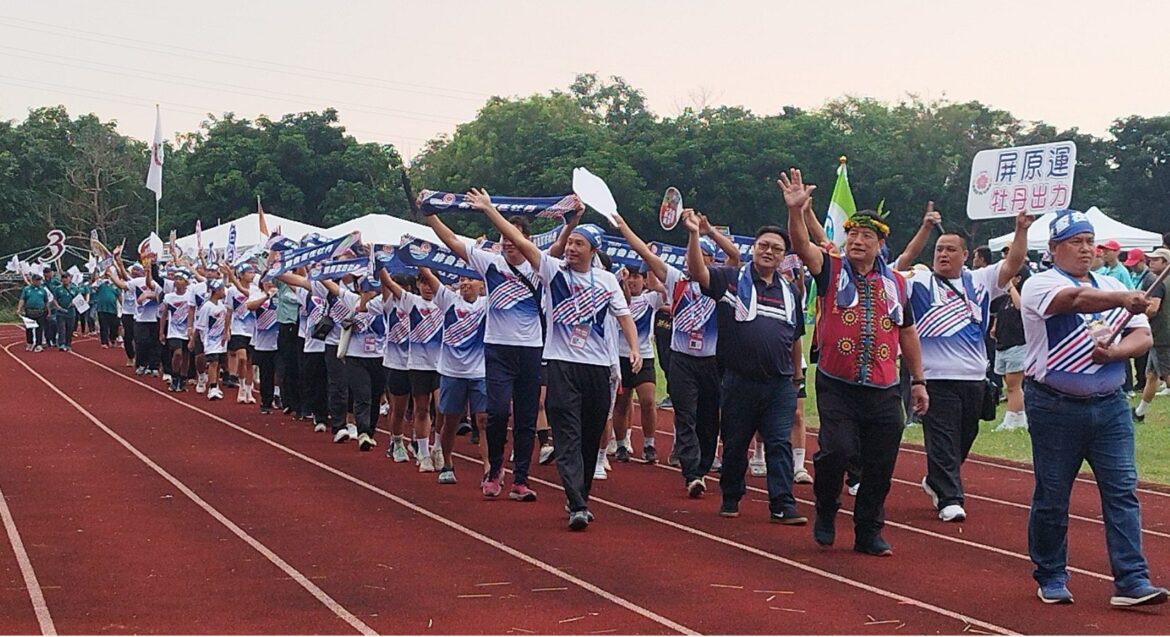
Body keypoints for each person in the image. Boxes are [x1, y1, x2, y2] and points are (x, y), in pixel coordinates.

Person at [1020, 209, 1167, 607]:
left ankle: (1132, 579)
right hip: (1054, 406)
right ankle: (1050, 573)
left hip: (1110, 405)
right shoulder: (1041, 284)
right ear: (1053, 249)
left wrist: (1115, 352)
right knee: (1053, 493)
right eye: (1075, 242)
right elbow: (1074, 300)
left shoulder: (1109, 282)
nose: (1085, 249)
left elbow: (1143, 338)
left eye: (1089, 241)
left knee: (1122, 492)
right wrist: (1124, 298)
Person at [472, 188, 640, 531]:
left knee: (592, 437)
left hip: (596, 370)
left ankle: (580, 496)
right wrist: (490, 210)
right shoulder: (552, 271)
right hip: (561, 366)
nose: (572, 248)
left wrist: (634, 348)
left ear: (594, 251)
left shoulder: (607, 280)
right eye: (571, 242)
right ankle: (576, 504)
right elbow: (520, 240)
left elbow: (623, 317)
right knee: (567, 435)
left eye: (580, 244)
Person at [783, 167, 928, 557]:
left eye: (866, 236)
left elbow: (907, 332)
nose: (857, 240)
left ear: (881, 244)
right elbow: (802, 247)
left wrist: (918, 381)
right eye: (852, 234)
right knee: (837, 451)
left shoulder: (896, 283)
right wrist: (796, 212)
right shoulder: (831, 270)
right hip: (837, 383)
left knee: (881, 463)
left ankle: (868, 530)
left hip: (883, 387)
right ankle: (826, 510)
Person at [424, 204, 579, 496]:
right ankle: (495, 470)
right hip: (497, 350)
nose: (508, 244)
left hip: (531, 350)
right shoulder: (489, 263)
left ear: (525, 241)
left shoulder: (538, 264)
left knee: (526, 417)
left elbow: (559, 245)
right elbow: (452, 242)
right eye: (504, 239)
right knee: (495, 414)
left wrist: (571, 223)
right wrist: (429, 214)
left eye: (513, 239)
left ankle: (520, 479)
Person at [898, 206, 1030, 522]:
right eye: (939, 249)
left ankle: (937, 480)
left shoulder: (980, 280)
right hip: (933, 379)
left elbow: (1014, 263)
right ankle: (950, 499)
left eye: (950, 250)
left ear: (965, 254)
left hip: (973, 378)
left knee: (963, 439)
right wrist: (924, 230)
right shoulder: (918, 280)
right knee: (941, 439)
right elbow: (898, 265)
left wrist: (1021, 229)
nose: (943, 255)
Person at [684, 211, 808, 524]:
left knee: (779, 443)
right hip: (739, 380)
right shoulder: (730, 278)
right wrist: (694, 235)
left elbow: (795, 337)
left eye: (777, 249)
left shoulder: (791, 292)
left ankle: (782, 504)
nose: (769, 252)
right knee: (736, 443)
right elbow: (698, 272)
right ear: (754, 247)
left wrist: (797, 377)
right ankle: (731, 495)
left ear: (784, 256)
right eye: (764, 245)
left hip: (779, 383)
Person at [610, 209, 739, 492]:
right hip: (682, 360)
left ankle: (703, 465)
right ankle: (692, 472)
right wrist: (624, 227)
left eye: (699, 256)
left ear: (709, 260)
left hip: (710, 361)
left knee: (708, 418)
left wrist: (707, 232)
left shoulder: (720, 281)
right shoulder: (675, 279)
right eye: (688, 255)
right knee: (685, 413)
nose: (690, 259)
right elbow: (644, 252)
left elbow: (735, 257)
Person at [423, 268, 490, 486]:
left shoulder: (487, 303)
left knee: (483, 421)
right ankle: (448, 462)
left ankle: (489, 467)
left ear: (481, 284)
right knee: (450, 421)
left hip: (480, 372)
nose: (465, 283)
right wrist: (417, 255)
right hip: (452, 372)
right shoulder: (449, 300)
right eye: (461, 279)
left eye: (470, 279)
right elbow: (430, 276)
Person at [610, 263, 664, 463]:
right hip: (620, 357)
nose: (632, 280)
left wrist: (650, 264)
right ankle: (622, 444)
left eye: (636, 276)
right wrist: (619, 281)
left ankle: (649, 444)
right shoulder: (615, 299)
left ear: (643, 280)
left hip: (644, 357)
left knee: (648, 401)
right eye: (629, 276)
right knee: (621, 405)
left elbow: (661, 286)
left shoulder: (650, 300)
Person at [990, 266, 1031, 431]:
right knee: (1009, 384)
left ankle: (1011, 420)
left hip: (1017, 344)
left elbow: (1021, 307)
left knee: (1014, 385)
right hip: (1003, 344)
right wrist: (995, 327)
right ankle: (1019, 416)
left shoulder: (1022, 296)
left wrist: (1011, 286)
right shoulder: (1005, 299)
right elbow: (999, 313)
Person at [1133, 248, 1170, 423]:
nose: (1151, 262)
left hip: (1161, 335)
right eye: (1150, 259)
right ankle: (1140, 412)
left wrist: (1136, 318)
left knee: (1167, 376)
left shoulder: (1158, 282)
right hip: (1161, 334)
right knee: (1152, 375)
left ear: (1166, 263)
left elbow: (1153, 309)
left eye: (1156, 260)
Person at [248, 279, 282, 414]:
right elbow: (250, 306)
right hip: (263, 343)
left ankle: (279, 396)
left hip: (281, 341)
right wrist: (267, 296)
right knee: (266, 374)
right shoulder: (257, 295)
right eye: (267, 281)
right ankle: (266, 402)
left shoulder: (282, 295)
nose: (270, 283)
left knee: (281, 372)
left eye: (273, 281)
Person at [158, 269, 195, 392]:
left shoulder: (190, 296)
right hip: (173, 331)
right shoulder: (169, 297)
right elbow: (164, 314)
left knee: (185, 355)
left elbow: (192, 312)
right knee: (177, 353)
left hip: (187, 330)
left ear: (186, 283)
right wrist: (161, 331)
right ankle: (175, 376)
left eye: (180, 279)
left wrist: (191, 329)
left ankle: (183, 378)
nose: (177, 282)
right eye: (176, 279)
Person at [193, 279, 230, 401]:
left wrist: (226, 333)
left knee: (218, 363)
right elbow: (200, 326)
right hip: (210, 339)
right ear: (217, 291)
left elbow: (225, 320)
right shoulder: (207, 307)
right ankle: (212, 387)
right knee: (213, 363)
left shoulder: (221, 305)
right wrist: (198, 340)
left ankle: (215, 385)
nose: (224, 292)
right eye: (222, 290)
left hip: (220, 340)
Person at [17, 272, 52, 352]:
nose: (38, 282)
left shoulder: (43, 290)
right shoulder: (27, 289)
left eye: (39, 280)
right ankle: (29, 343)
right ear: (32, 280)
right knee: (29, 328)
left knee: (39, 329)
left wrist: (49, 311)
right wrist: (19, 308)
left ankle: (38, 344)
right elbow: (22, 299)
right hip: (29, 311)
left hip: (40, 311)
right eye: (36, 280)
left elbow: (46, 301)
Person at [49, 271, 81, 352]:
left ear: (70, 279)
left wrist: (75, 303)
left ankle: (68, 344)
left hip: (71, 312)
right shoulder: (58, 289)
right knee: (61, 329)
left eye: (66, 278)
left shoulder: (74, 288)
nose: (65, 279)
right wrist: (58, 307)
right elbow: (54, 299)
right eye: (63, 278)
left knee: (70, 330)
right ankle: (62, 344)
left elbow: (79, 299)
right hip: (61, 312)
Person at [92, 271, 120, 349]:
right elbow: (93, 282)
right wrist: (101, 276)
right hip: (102, 309)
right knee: (103, 326)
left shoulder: (115, 286)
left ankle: (113, 339)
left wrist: (121, 307)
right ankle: (104, 342)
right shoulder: (100, 285)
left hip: (113, 309)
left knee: (113, 326)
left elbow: (119, 296)